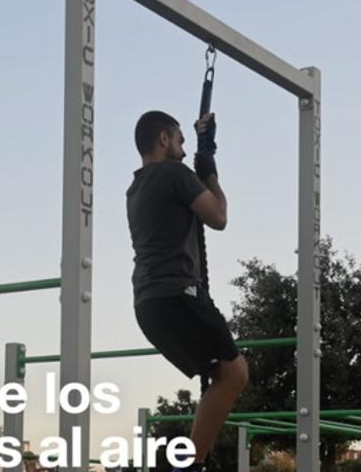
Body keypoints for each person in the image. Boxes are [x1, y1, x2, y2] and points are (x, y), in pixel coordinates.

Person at [126, 110, 247, 472]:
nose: (182, 147)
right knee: (235, 374)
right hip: (178, 295)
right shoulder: (173, 173)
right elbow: (219, 216)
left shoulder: (137, 186)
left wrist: (202, 150)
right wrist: (208, 166)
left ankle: (190, 463)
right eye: (179, 140)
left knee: (219, 377)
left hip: (149, 305)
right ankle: (187, 466)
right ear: (164, 138)